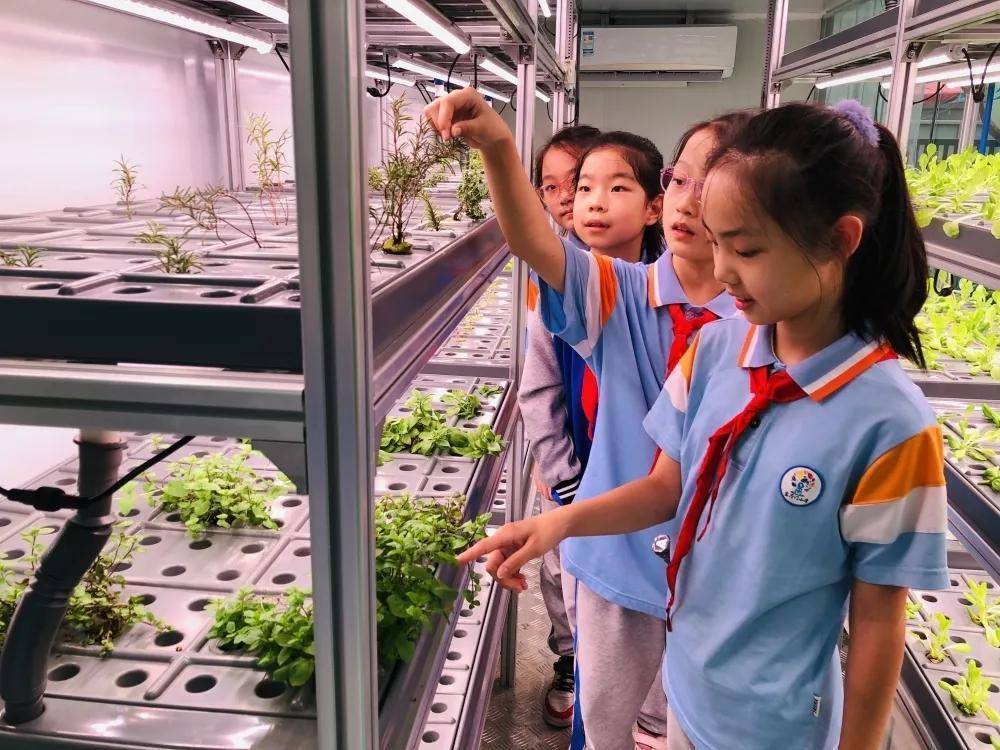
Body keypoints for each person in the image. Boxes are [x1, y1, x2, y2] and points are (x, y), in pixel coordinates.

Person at [458, 100, 948, 750]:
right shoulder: (719, 352)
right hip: (692, 689)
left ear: (839, 240)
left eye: (743, 248)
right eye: (717, 243)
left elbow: (879, 622)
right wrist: (558, 521)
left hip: (776, 726)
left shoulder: (892, 426)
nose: (720, 272)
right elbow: (667, 485)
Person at [424, 87, 750, 750]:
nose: (688, 198)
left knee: (678, 729)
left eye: (709, 181)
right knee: (600, 726)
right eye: (679, 177)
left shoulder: (762, 329)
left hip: (715, 576)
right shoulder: (620, 294)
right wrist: (497, 145)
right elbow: (535, 241)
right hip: (613, 563)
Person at [520, 123, 601, 729]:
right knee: (560, 571)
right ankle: (570, 659)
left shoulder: (650, 274)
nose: (566, 198)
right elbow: (539, 387)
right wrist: (559, 472)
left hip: (646, 479)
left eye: (575, 180)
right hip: (573, 470)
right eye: (550, 187)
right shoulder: (547, 282)